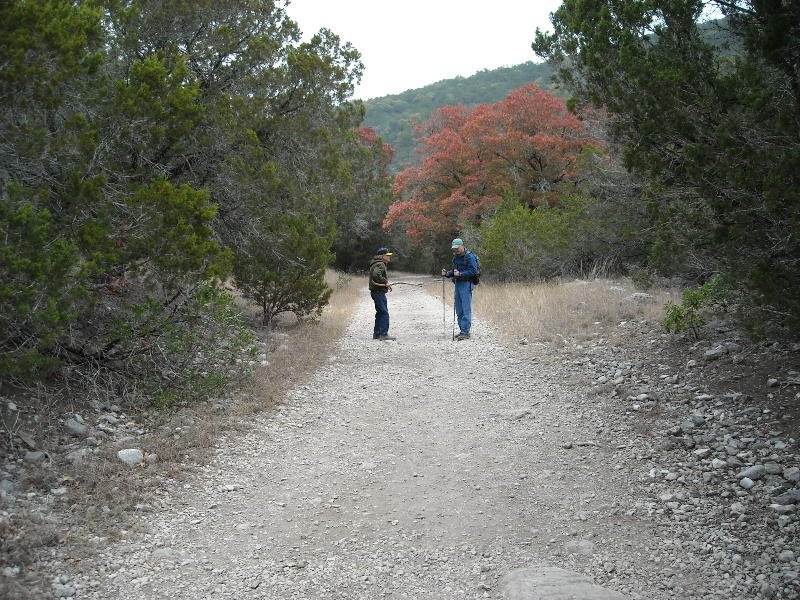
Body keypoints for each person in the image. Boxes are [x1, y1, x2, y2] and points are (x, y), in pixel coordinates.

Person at [441, 238, 478, 340]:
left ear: (462, 246)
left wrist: (461, 274)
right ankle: (462, 330)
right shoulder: (456, 257)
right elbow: (454, 271)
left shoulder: (470, 257)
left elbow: (473, 271)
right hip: (458, 283)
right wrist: (447, 273)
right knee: (459, 309)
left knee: (466, 308)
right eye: (454, 248)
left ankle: (465, 332)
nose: (455, 250)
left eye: (457, 248)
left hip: (466, 284)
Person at [369, 247, 396, 341]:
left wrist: (385, 284)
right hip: (378, 291)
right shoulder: (381, 264)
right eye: (387, 255)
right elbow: (376, 275)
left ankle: (377, 334)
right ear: (382, 256)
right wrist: (385, 282)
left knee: (380, 312)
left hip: (376, 291)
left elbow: (376, 275)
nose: (389, 257)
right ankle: (383, 334)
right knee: (384, 313)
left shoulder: (376, 263)